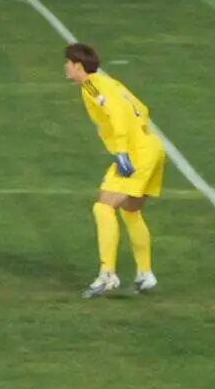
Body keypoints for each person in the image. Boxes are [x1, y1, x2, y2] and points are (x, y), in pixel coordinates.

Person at [67, 40, 163, 295]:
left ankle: (107, 274)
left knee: (103, 207)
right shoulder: (111, 83)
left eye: (68, 63)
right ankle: (145, 273)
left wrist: (121, 151)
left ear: (78, 66)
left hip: (134, 153)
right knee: (130, 211)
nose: (66, 67)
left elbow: (118, 114)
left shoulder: (91, 86)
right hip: (152, 147)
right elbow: (142, 108)